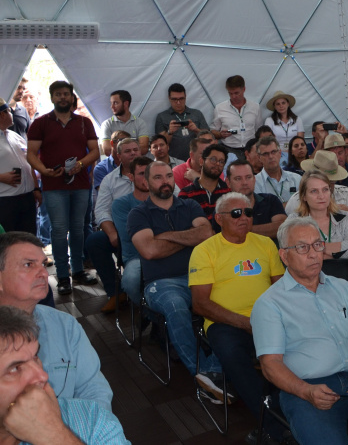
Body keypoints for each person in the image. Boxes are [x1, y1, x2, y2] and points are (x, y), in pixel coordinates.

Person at [252, 218, 348, 445]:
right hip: (305, 388)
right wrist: (306, 391)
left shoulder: (344, 288)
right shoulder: (269, 304)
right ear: (284, 256)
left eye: (317, 245)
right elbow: (270, 365)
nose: (313, 254)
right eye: (302, 247)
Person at [188, 193, 286, 441]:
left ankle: (288, 409)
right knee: (234, 356)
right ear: (219, 219)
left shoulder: (265, 244)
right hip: (225, 323)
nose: (243, 218)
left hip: (267, 317)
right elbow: (200, 304)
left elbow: (282, 288)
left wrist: (271, 319)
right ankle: (273, 426)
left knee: (299, 347)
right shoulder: (204, 251)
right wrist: (244, 323)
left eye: (248, 212)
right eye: (235, 213)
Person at [128, 161, 225, 397]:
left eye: (169, 176)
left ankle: (217, 367)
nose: (165, 182)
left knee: (231, 298)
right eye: (158, 177)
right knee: (175, 307)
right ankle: (203, 373)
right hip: (161, 283)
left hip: (199, 276)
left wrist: (165, 236)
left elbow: (206, 233)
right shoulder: (138, 213)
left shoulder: (189, 205)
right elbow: (150, 251)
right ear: (146, 182)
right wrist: (189, 239)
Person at [0, 232, 113, 408]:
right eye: (28, 265)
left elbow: (95, 390)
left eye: (43, 264)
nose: (43, 273)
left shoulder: (65, 325)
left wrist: (60, 424)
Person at [0, 305, 129, 445]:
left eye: (36, 356)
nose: (42, 376)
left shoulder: (92, 420)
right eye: (15, 369)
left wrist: (55, 436)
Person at [26, 80, 101, 295]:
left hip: (80, 184)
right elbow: (31, 154)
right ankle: (62, 276)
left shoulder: (84, 123)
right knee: (59, 230)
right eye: (58, 94)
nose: (62, 97)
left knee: (78, 228)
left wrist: (81, 165)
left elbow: (95, 151)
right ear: (51, 98)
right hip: (53, 185)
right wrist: (44, 171)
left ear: (71, 97)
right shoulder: (40, 123)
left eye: (66, 94)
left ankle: (77, 270)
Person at [88, 138, 141, 311]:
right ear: (118, 155)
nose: (133, 153)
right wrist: (111, 233)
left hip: (151, 230)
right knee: (95, 241)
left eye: (135, 149)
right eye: (127, 151)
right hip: (120, 231)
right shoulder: (109, 180)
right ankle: (116, 293)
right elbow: (101, 210)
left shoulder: (155, 172)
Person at [291, 171, 348, 291]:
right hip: (309, 284)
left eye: (325, 190)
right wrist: (339, 249)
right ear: (303, 196)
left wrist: (315, 249)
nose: (321, 196)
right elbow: (294, 255)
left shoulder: (345, 216)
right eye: (314, 191)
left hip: (346, 281)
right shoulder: (294, 221)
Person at [109, 156, 152, 305]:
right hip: (136, 256)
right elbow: (130, 236)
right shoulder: (121, 204)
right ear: (131, 177)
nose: (146, 178)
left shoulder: (165, 199)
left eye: (150, 173)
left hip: (166, 253)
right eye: (141, 174)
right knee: (131, 280)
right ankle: (149, 311)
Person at [287, 150, 348, 222]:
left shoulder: (346, 193)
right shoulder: (296, 200)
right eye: (314, 190)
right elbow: (289, 229)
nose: (326, 185)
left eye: (331, 181)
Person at [0, 98, 40, 234]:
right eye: (9, 111)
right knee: (9, 241)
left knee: (28, 238)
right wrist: (1, 177)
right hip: (5, 200)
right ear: (2, 114)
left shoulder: (15, 136)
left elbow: (29, 163)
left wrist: (36, 188)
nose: (12, 113)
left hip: (27, 198)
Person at [226, 160, 286, 241]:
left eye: (248, 177)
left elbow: (281, 228)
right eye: (238, 178)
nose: (244, 182)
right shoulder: (223, 208)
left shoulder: (271, 200)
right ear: (228, 182)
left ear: (254, 179)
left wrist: (243, 229)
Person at [179, 143, 230, 230]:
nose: (218, 164)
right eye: (213, 159)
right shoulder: (186, 193)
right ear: (201, 161)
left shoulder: (229, 192)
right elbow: (182, 225)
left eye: (221, 161)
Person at [155, 82, 209, 162]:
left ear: (185, 97)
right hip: (173, 161)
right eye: (174, 99)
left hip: (196, 160)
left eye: (181, 99)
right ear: (169, 98)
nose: (178, 102)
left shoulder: (197, 113)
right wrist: (170, 132)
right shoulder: (162, 117)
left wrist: (196, 130)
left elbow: (208, 139)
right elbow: (160, 145)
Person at [212, 75, 261, 157]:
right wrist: (220, 135)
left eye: (236, 93)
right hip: (228, 149)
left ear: (244, 89)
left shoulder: (255, 107)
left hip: (251, 150)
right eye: (230, 93)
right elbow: (213, 130)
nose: (233, 96)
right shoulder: (219, 108)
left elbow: (259, 130)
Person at [100, 90, 149, 156]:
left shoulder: (140, 123)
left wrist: (121, 150)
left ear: (126, 104)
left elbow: (144, 148)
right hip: (115, 162)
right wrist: (132, 150)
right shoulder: (107, 124)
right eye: (111, 103)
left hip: (136, 161)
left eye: (115, 103)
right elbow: (107, 150)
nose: (112, 106)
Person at [253, 135, 299, 205]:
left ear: (280, 153)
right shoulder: (255, 183)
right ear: (259, 157)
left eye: (273, 152)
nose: (270, 156)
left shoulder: (296, 179)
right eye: (265, 154)